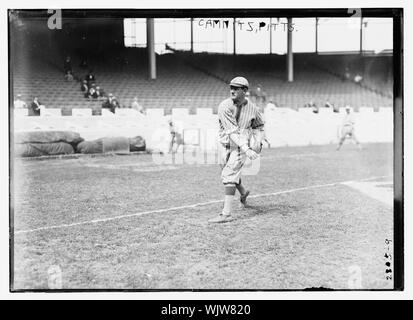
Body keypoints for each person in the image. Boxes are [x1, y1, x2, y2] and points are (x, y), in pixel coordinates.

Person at [208, 76, 265, 223]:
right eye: (231, 87)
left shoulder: (253, 108)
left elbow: (259, 126)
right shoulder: (224, 106)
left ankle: (226, 214)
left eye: (236, 88)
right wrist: (248, 150)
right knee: (226, 170)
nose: (232, 90)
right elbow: (232, 132)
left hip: (240, 145)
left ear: (245, 90)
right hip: (225, 143)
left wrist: (257, 141)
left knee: (229, 174)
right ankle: (243, 192)